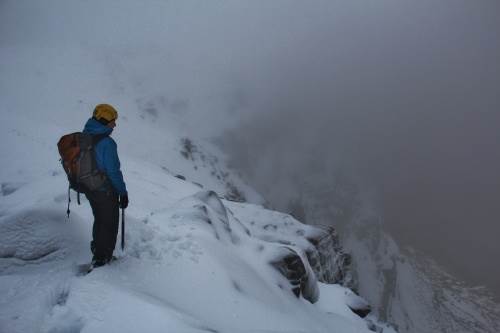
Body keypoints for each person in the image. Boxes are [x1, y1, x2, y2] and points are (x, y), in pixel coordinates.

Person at [82, 104, 128, 267]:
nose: (114, 125)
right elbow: (113, 171)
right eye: (112, 121)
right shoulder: (107, 143)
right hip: (104, 190)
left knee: (100, 220)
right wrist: (123, 193)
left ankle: (98, 252)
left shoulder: (86, 135)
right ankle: (102, 259)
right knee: (109, 223)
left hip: (90, 187)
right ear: (103, 120)